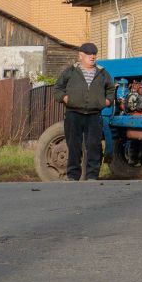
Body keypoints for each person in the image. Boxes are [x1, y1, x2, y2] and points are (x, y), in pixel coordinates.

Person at [53, 43, 115, 180]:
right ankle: (73, 176)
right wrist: (64, 98)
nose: (92, 57)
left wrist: (107, 101)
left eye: (94, 54)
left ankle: (92, 176)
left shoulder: (102, 72)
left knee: (94, 146)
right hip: (73, 114)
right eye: (89, 54)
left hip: (94, 115)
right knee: (74, 147)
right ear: (80, 56)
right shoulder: (70, 71)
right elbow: (57, 88)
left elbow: (111, 90)